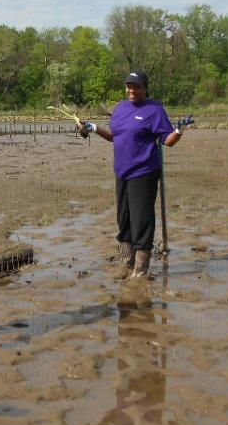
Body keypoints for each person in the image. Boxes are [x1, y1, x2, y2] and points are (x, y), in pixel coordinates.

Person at [80, 71, 189, 279]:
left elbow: (168, 141)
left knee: (141, 220)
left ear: (145, 88)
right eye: (129, 86)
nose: (132, 90)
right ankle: (127, 263)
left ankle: (141, 270)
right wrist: (93, 128)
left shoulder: (154, 110)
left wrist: (179, 130)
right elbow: (114, 136)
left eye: (137, 87)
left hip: (144, 172)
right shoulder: (120, 109)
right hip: (122, 171)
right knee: (124, 219)